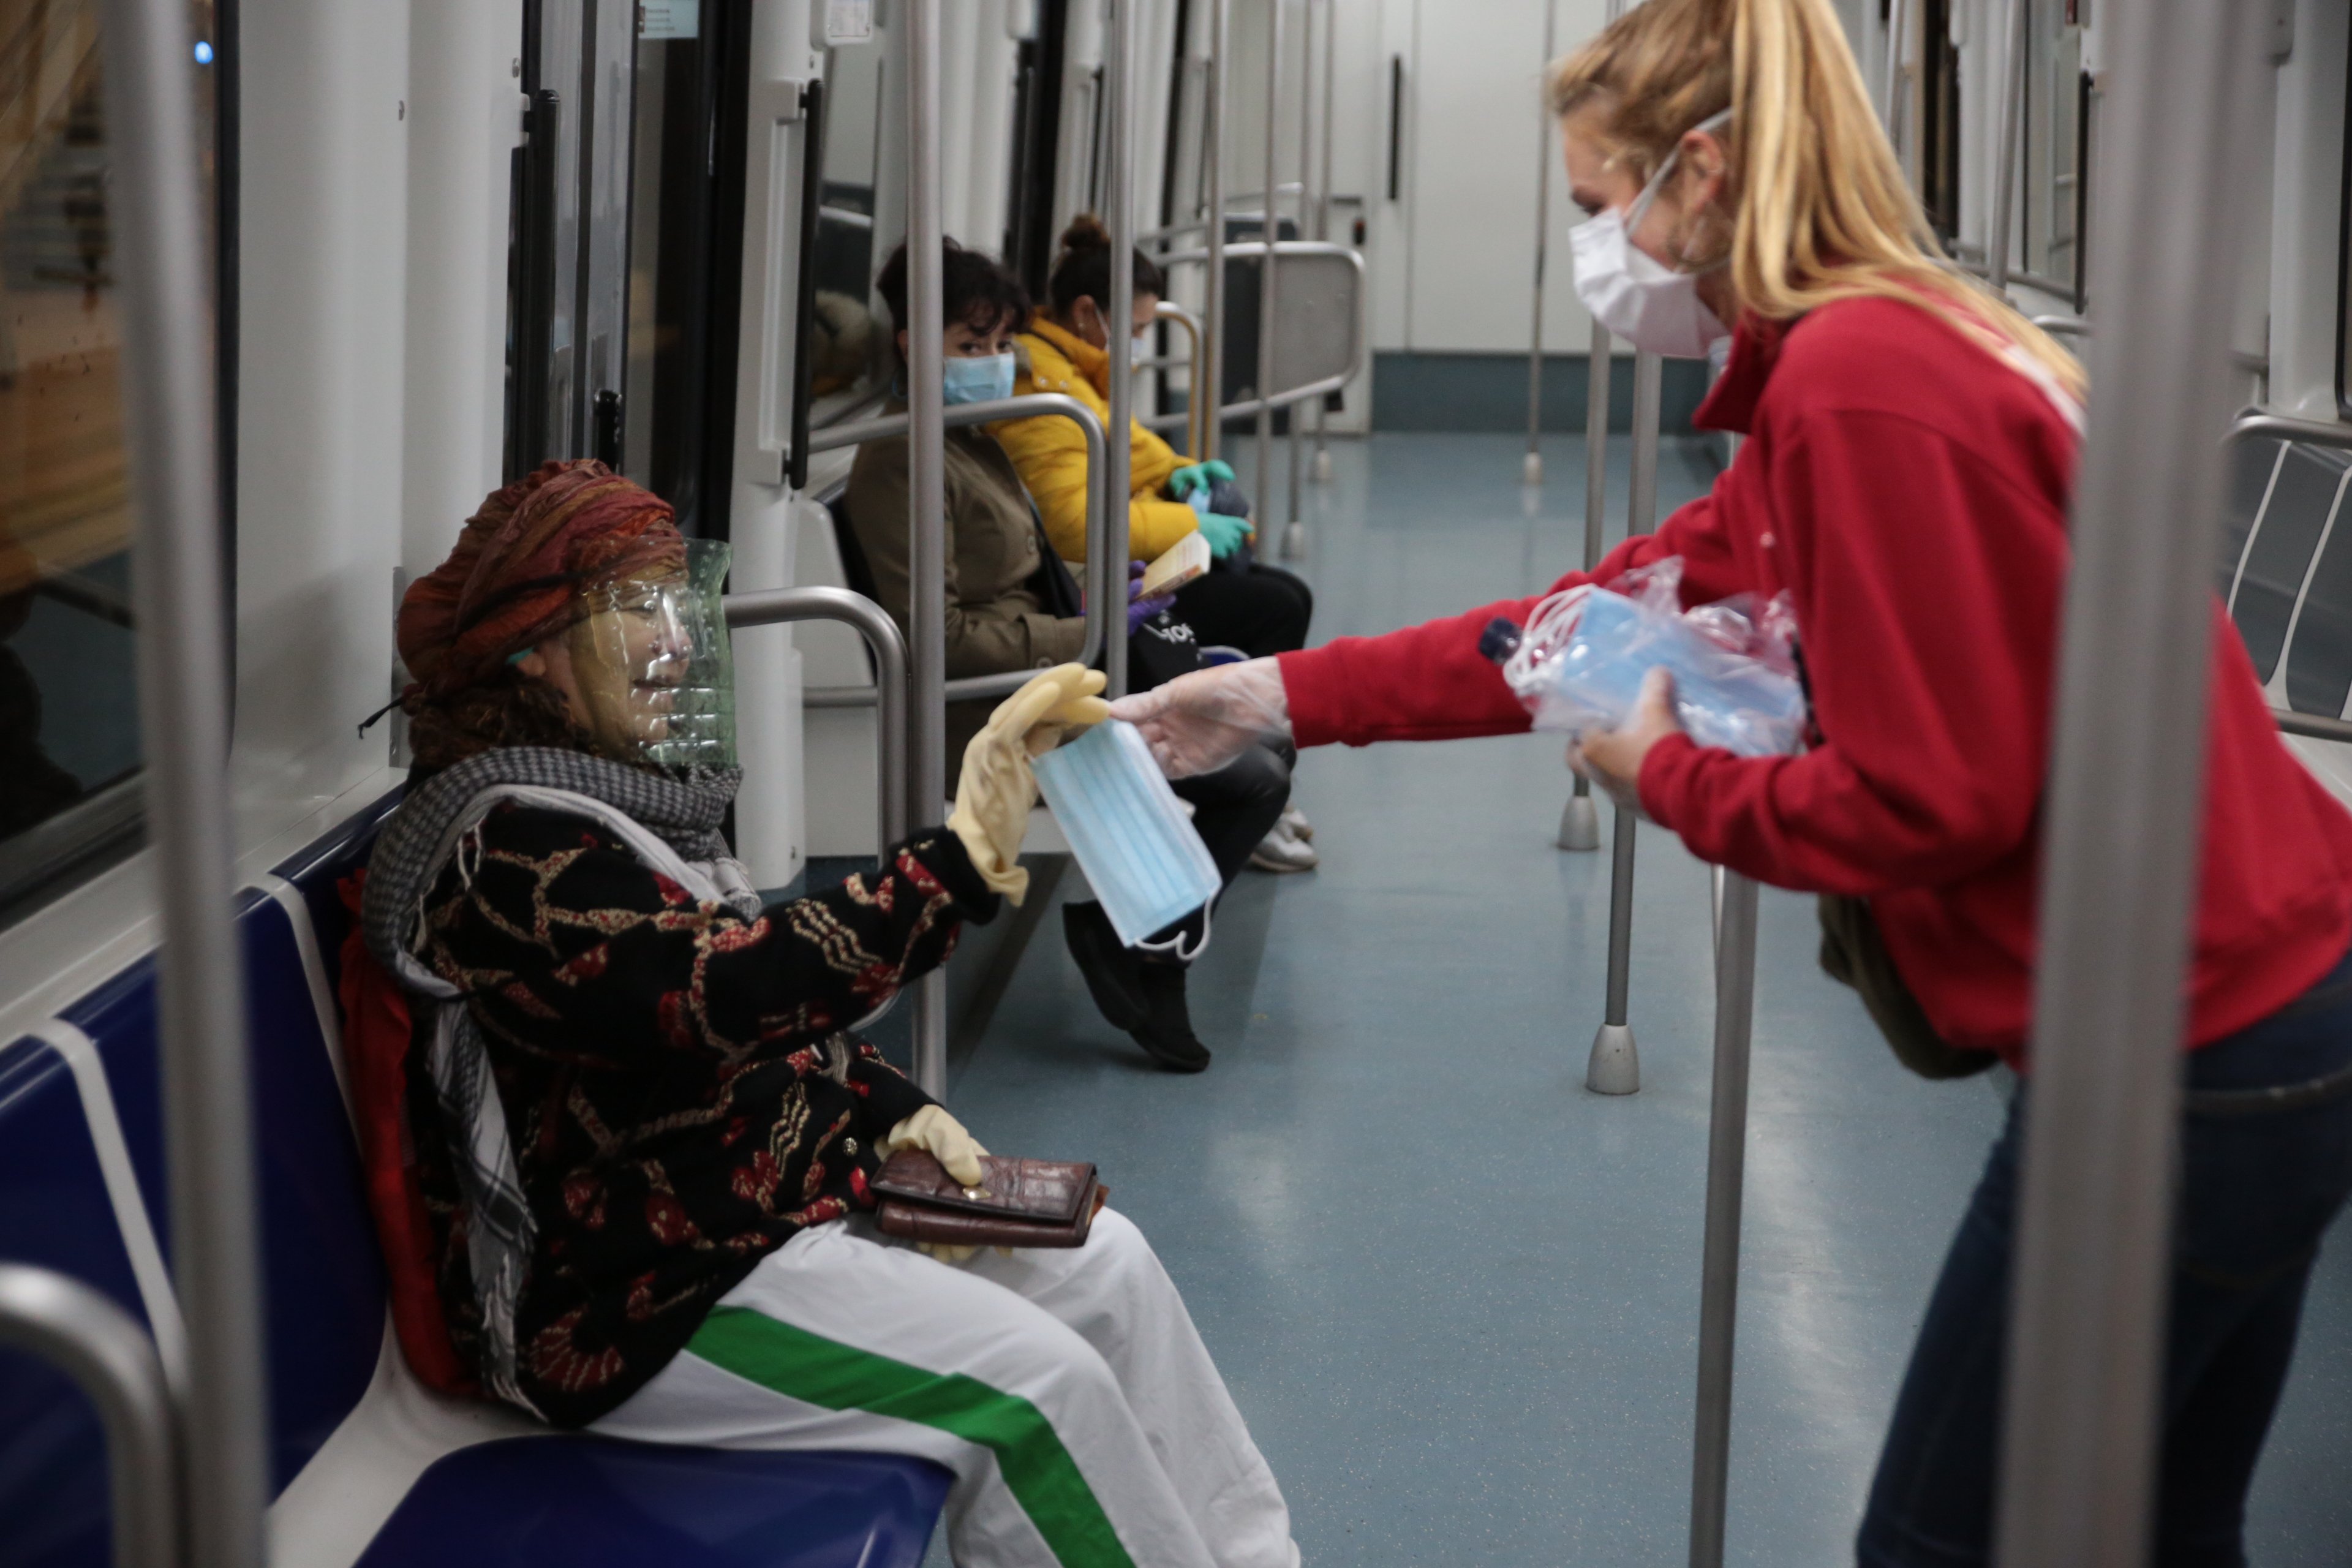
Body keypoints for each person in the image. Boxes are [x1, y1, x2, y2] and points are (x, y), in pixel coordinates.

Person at [1109, 1, 2352, 1562]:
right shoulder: (1885, 348)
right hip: (2256, 1002)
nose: (1590, 248)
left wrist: (1667, 777)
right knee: (2160, 1529)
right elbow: (1571, 629)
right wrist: (1274, 693)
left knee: (1935, 1539)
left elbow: (1930, 801)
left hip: (2177, 1053)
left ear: (1694, 172)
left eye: (1590, 204)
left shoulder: (1860, 394)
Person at [366, 459, 1299, 1568]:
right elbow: (710, 995)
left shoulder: (621, 804)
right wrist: (952, 864)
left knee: (1110, 1262)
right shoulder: (505, 854)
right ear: (533, 648)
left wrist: (891, 1109)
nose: (675, 641)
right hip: (642, 1301)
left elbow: (751, 1014)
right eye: (634, 608)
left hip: (765, 1200)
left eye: (680, 603)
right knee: (1032, 1393)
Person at [846, 239, 1292, 1072]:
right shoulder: (903, 462)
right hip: (989, 707)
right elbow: (939, 641)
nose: (992, 363)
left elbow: (1020, 569)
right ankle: (1136, 948)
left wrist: (1102, 589)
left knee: (1262, 740)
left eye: (999, 345)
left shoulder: (972, 438)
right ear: (913, 342)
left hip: (1042, 669)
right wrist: (1087, 632)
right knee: (1253, 776)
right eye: (969, 346)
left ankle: (1140, 941)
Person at [993, 214, 1319, 872]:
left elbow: (1129, 447)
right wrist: (1191, 526)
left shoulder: (1074, 370)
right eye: (1136, 329)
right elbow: (1075, 521)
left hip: (1115, 566)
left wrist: (1178, 472)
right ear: (1090, 314)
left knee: (1277, 591)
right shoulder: (1044, 385)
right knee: (1276, 604)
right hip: (1089, 589)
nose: (1140, 343)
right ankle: (1241, 776)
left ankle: (1251, 759)